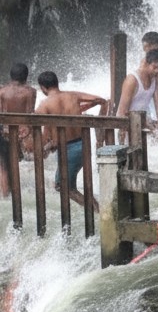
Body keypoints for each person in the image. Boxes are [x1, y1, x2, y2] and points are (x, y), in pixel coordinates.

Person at [34, 71, 107, 210]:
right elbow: (102, 101)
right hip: (83, 144)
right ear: (57, 83)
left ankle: (98, 211)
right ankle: (97, 209)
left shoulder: (44, 105)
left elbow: (40, 130)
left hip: (68, 148)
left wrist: (45, 148)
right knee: (67, 185)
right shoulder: (73, 95)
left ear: (42, 88)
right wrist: (99, 132)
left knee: (63, 186)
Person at [0, 63, 37, 197]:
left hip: (4, 130)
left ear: (11, 76)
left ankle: (5, 196)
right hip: (22, 131)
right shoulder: (30, 91)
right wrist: (29, 133)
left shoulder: (2, 91)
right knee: (15, 162)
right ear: (26, 77)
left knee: (4, 165)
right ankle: (15, 195)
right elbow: (29, 113)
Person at [117, 49, 158, 141]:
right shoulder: (132, 80)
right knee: (152, 130)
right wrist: (122, 138)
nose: (157, 71)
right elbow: (122, 112)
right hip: (128, 122)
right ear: (146, 64)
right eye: (155, 67)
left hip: (144, 121)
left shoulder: (156, 78)